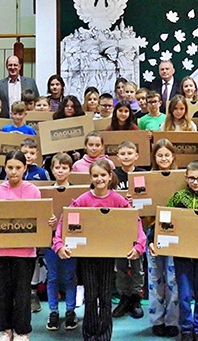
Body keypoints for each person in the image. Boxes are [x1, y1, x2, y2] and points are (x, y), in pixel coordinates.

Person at [53, 159, 147, 340]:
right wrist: (59, 244)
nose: (99, 179)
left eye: (103, 175)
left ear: (110, 176)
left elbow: (134, 222)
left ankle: (104, 336)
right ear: (91, 177)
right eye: (95, 175)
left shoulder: (118, 200)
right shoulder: (83, 200)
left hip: (107, 256)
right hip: (87, 256)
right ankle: (89, 335)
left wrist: (138, 245)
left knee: (104, 297)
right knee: (90, 296)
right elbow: (65, 222)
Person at [0, 150, 43, 341]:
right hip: (0, 251)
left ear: (25, 168)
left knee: (22, 293)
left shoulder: (33, 191)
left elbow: (39, 219)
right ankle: (5, 330)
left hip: (25, 252)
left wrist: (49, 221)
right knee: (3, 292)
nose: (14, 172)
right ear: (5, 168)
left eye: (18, 168)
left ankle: (22, 331)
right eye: (10, 167)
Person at [150, 161, 198, 340]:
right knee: (184, 294)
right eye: (192, 178)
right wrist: (154, 241)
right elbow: (164, 221)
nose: (195, 182)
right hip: (181, 256)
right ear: (186, 177)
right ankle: (187, 328)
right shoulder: (177, 197)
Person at [146, 138, 180, 337]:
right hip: (152, 235)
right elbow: (141, 213)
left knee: (173, 279)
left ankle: (172, 320)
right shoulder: (147, 179)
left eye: (167, 154)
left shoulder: (181, 179)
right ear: (154, 157)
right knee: (155, 278)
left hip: (175, 236)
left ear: (173, 156)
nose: (164, 158)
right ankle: (157, 319)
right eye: (160, 155)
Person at [111, 141, 147, 319]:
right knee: (121, 264)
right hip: (119, 226)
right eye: (122, 153)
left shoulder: (143, 175)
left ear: (136, 156)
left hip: (139, 224)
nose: (126, 156)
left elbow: (150, 198)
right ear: (117, 157)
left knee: (137, 264)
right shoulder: (112, 176)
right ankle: (124, 296)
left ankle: (135, 297)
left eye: (129, 153)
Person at [43, 154, 79, 331]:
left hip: (71, 240)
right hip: (50, 241)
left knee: (70, 277)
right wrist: (47, 221)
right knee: (52, 277)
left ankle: (70, 311)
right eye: (57, 167)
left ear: (70, 170)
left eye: (64, 168)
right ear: (52, 169)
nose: (60, 170)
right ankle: (53, 312)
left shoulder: (77, 192)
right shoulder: (46, 193)